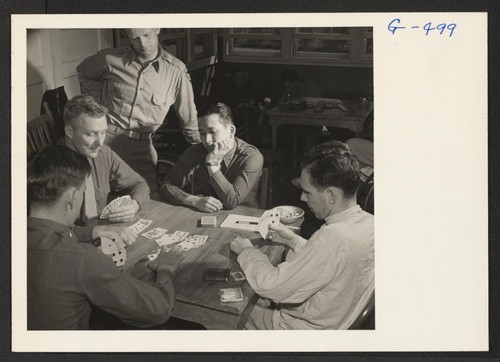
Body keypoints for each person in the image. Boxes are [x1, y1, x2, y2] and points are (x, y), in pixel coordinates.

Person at [27, 145, 183, 330]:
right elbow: (158, 310)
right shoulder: (84, 259)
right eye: (84, 191)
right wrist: (166, 268)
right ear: (72, 197)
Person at [230, 140, 374, 329]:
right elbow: (332, 261)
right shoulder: (370, 223)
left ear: (331, 195)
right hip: (336, 319)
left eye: (307, 192)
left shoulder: (331, 238)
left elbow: (271, 286)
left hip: (299, 331)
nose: (302, 198)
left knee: (227, 311)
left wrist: (247, 252)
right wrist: (291, 239)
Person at [77, 28, 200, 192]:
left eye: (146, 35)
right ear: (126, 36)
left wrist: (200, 152)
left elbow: (188, 118)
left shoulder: (176, 72)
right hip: (104, 142)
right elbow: (83, 72)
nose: (142, 44)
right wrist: (99, 107)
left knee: (148, 198)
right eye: (135, 38)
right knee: (97, 197)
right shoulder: (109, 58)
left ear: (157, 28)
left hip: (142, 148)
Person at [62, 95, 150, 244]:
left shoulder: (103, 154)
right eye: (91, 134)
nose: (100, 142)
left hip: (104, 239)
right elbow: (47, 232)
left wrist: (133, 205)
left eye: (103, 132)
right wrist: (96, 231)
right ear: (70, 132)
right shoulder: (51, 168)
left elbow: (140, 183)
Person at [159, 102, 263, 212]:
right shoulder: (196, 151)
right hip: (208, 217)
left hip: (244, 217)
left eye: (212, 132)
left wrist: (212, 165)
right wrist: (195, 201)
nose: (207, 140)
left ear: (231, 131)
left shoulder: (251, 156)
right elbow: (166, 186)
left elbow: (232, 201)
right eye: (202, 133)